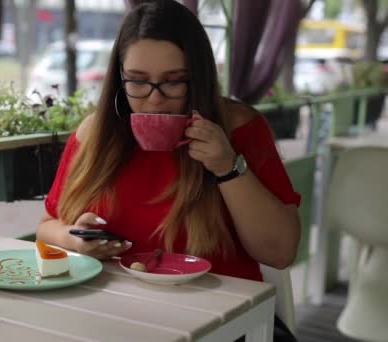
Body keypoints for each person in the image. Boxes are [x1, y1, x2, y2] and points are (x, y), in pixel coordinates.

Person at [37, 1, 300, 341]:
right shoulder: (95, 134)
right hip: (114, 321)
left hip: (225, 326)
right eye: (137, 81)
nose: (155, 99)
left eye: (174, 82)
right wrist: (72, 239)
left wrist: (227, 167)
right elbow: (47, 226)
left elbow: (280, 252)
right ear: (120, 80)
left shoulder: (240, 129)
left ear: (199, 79)